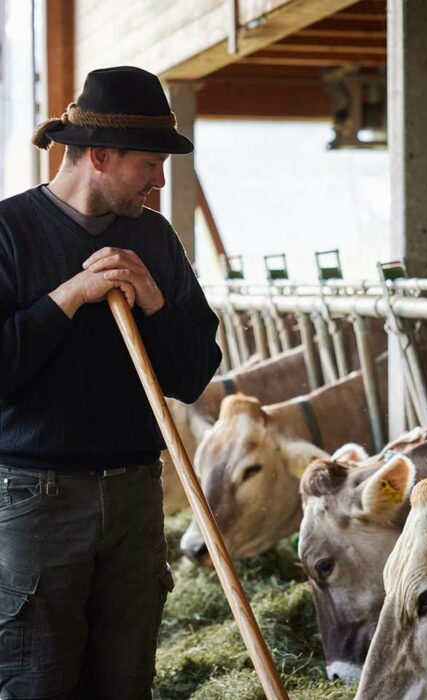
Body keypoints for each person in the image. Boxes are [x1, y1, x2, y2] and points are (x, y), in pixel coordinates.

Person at [0, 66, 221, 698]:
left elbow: (191, 374)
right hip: (34, 498)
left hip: (134, 493)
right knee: (35, 679)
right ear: (98, 155)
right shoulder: (9, 233)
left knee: (125, 681)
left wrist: (154, 299)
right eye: (149, 164)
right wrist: (67, 297)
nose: (159, 180)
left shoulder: (154, 239)